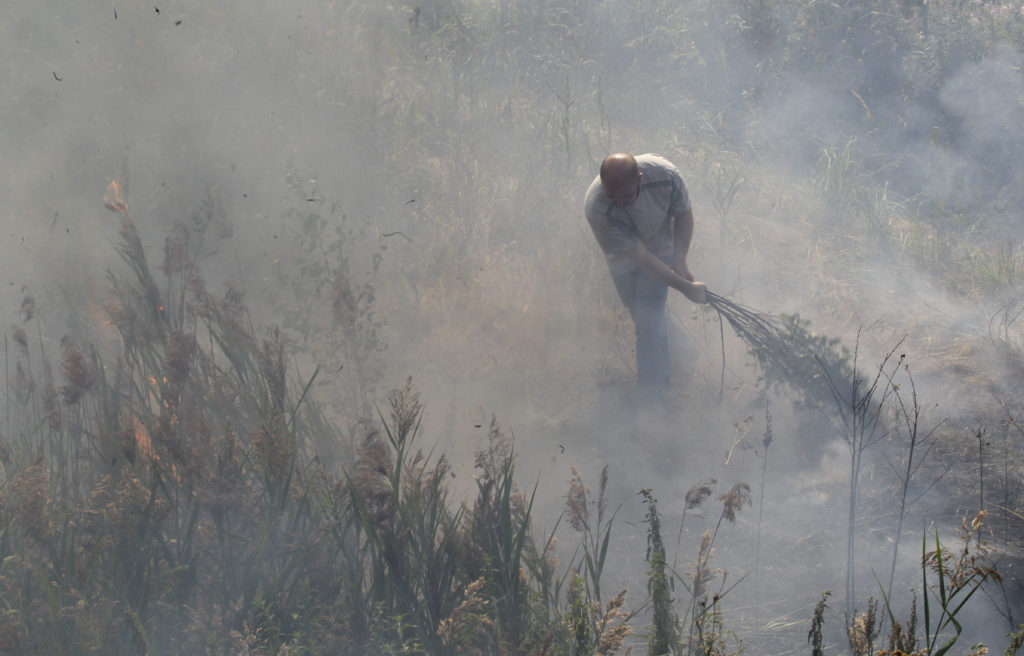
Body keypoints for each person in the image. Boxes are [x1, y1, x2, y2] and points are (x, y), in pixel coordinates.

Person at [584, 152, 707, 393]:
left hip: (660, 247)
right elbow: (641, 258)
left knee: (649, 324)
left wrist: (680, 260)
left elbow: (683, 213)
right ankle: (685, 350)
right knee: (643, 314)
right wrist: (686, 288)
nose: (619, 204)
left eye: (627, 196)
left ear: (639, 179)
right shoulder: (597, 206)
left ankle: (653, 399)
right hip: (624, 260)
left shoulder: (666, 176)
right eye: (613, 197)